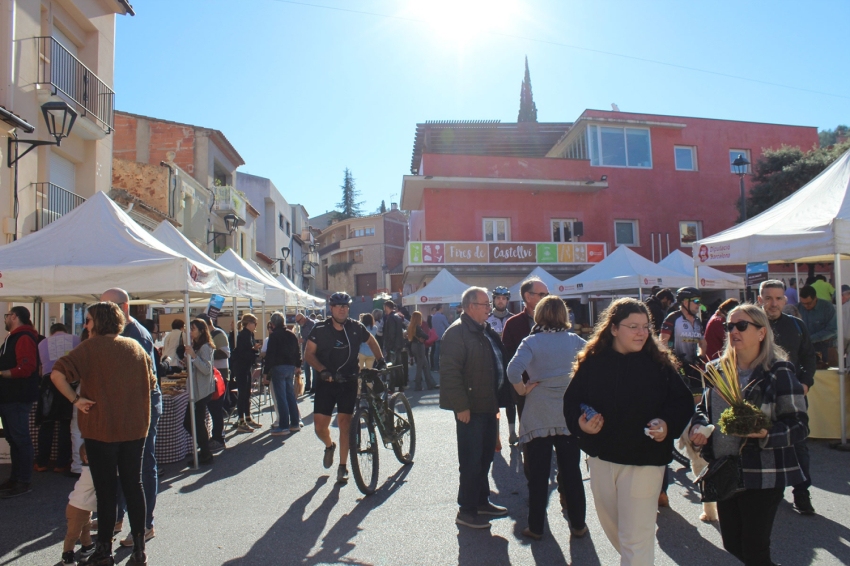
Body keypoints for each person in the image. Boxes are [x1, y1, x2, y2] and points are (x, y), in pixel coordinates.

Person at [564, 298, 694, 565]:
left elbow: (683, 402)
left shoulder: (659, 365)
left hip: (645, 459)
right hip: (602, 458)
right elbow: (572, 402)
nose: (641, 332)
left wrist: (666, 424)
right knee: (618, 533)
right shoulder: (593, 362)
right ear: (613, 329)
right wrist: (581, 423)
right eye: (633, 326)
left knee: (636, 538)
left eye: (645, 327)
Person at [689, 304, 808, 566]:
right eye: (729, 326)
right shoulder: (717, 369)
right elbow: (702, 410)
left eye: (742, 326)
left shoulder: (779, 372)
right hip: (724, 468)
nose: (734, 331)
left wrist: (766, 432)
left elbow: (799, 425)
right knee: (732, 543)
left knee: (754, 550)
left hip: (764, 473)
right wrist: (698, 427)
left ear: (761, 333)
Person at [50, 301, 157, 566]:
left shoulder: (89, 348)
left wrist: (76, 400)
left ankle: (103, 551)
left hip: (101, 429)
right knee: (134, 486)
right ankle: (139, 550)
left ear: (98, 321)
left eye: (87, 320)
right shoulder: (135, 347)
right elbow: (152, 383)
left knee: (106, 490)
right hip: (134, 428)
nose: (85, 325)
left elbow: (57, 374)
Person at [506, 296, 587, 540]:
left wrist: (522, 389)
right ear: (564, 315)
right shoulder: (575, 340)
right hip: (568, 412)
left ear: (539, 315)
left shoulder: (531, 341)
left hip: (538, 411)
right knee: (571, 472)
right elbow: (594, 363)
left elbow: (512, 371)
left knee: (539, 475)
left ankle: (536, 527)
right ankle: (578, 525)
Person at [440, 287, 513, 529]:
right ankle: (467, 509)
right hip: (470, 408)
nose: (489, 308)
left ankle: (481, 502)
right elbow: (450, 374)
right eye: (484, 304)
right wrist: (461, 406)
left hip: (487, 404)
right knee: (471, 462)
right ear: (470, 306)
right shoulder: (457, 333)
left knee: (484, 459)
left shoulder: (483, 330)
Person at [100, 288, 162, 549]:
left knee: (142, 466)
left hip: (141, 408)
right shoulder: (122, 331)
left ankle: (145, 524)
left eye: (107, 307)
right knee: (124, 464)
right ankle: (117, 517)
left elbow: (140, 381)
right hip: (128, 407)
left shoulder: (134, 334)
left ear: (123, 307)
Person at [304, 292, 385, 484]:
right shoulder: (320, 329)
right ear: (331, 309)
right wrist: (322, 370)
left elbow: (371, 341)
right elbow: (309, 354)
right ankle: (329, 445)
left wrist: (381, 360)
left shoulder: (355, 327)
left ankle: (343, 467)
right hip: (326, 382)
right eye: (338, 306)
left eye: (345, 306)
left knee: (344, 424)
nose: (342, 309)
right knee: (319, 427)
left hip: (349, 381)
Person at [757, 280, 817, 516]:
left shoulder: (797, 326)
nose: (774, 303)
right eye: (768, 298)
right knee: (764, 443)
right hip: (762, 395)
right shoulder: (749, 324)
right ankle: (772, 491)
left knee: (798, 443)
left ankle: (802, 493)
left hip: (792, 395)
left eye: (778, 298)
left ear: (785, 300)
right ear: (760, 299)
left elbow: (809, 357)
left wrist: (805, 383)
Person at [502, 277, 550, 444]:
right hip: (525, 386)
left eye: (548, 294)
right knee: (530, 434)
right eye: (542, 294)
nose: (547, 298)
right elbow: (507, 356)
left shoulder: (554, 322)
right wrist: (519, 386)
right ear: (528, 297)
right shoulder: (513, 323)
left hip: (551, 384)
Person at [0, 306, 40, 498]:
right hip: (10, 397)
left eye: (7, 316)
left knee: (20, 440)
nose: (5, 319)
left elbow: (26, 367)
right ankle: (15, 479)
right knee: (14, 440)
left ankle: (23, 481)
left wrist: (2, 373)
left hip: (17, 397)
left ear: (14, 317)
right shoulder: (14, 337)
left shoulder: (23, 337)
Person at [34, 323, 80, 475]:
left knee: (46, 424)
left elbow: (41, 368)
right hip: (68, 382)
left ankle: (42, 463)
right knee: (65, 423)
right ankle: (61, 463)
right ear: (65, 331)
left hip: (48, 383)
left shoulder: (42, 343)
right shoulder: (76, 339)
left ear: (51, 332)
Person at [182, 319, 216, 465]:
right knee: (192, 422)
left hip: (202, 390)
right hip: (196, 389)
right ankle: (204, 449)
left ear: (202, 330)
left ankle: (205, 451)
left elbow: (207, 369)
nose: (190, 331)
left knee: (193, 422)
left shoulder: (205, 347)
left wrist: (194, 357)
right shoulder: (196, 345)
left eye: (193, 329)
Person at [264, 312, 302, 436]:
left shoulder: (274, 336)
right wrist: (298, 365)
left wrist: (266, 372)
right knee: (290, 395)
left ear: (273, 324)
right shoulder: (291, 335)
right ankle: (295, 423)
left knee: (281, 397)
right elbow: (297, 351)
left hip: (278, 367)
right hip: (290, 366)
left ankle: (284, 425)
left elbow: (270, 355)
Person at [197, 313, 230, 451]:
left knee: (216, 408)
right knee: (213, 408)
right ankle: (215, 436)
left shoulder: (218, 334)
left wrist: (207, 353)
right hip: (211, 374)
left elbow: (226, 353)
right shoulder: (206, 338)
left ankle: (218, 438)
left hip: (220, 374)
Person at [61, 443, 96, 565]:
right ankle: (67, 554)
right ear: (85, 458)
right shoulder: (90, 472)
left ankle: (87, 546)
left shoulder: (89, 469)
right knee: (73, 533)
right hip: (77, 508)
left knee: (86, 528)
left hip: (84, 508)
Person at [231, 313, 262, 433]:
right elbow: (242, 352)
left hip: (246, 366)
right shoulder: (243, 335)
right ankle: (241, 420)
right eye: (255, 323)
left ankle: (247, 417)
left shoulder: (249, 334)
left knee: (247, 394)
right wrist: (253, 351)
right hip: (241, 367)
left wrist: (253, 349)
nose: (255, 326)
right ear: (249, 323)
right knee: (243, 394)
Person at [798, 284, 837, 364]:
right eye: (803, 303)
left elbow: (832, 329)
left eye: (809, 303)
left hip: (825, 347)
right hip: (805, 349)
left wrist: (810, 339)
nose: (806, 306)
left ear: (815, 298)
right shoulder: (797, 308)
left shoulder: (827, 307)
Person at [407, 311, 437, 391]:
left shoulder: (410, 326)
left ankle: (431, 384)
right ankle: (419, 385)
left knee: (425, 365)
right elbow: (426, 336)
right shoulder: (417, 327)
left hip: (414, 345)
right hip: (419, 346)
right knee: (420, 367)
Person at [382, 300, 408, 383]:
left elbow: (391, 334)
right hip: (398, 345)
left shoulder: (390, 318)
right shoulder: (397, 317)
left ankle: (393, 386)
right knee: (398, 366)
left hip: (393, 346)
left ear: (387, 307)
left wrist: (389, 346)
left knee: (392, 367)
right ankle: (401, 385)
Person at [296, 312, 316, 393]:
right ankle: (308, 385)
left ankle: (314, 387)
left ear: (303, 319)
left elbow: (314, 338)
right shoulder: (302, 326)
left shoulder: (312, 324)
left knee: (314, 369)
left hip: (314, 350)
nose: (298, 323)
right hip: (305, 349)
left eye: (298, 321)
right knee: (306, 368)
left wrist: (304, 340)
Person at [430, 304, 450, 371]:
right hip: (442, 335)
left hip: (435, 336)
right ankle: (443, 367)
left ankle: (436, 367)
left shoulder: (433, 317)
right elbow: (447, 325)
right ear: (440, 308)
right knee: (443, 352)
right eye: (443, 307)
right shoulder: (442, 316)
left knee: (436, 352)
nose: (443, 308)